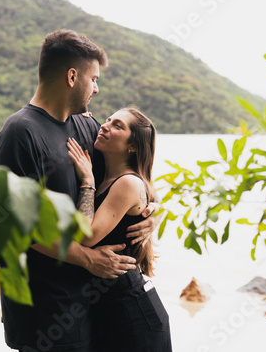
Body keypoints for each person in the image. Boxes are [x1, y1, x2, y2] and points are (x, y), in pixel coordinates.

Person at [0, 29, 160, 352]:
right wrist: (87, 259)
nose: (97, 88)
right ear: (72, 76)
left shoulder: (87, 127)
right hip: (42, 316)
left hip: (89, 313)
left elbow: (129, 172)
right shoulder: (20, 134)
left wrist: (151, 209)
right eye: (93, 79)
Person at [67, 106, 172, 352]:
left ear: (132, 147)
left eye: (118, 126)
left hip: (134, 315)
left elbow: (85, 237)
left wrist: (87, 183)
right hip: (112, 311)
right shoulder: (111, 178)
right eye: (108, 119)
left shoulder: (127, 182)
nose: (105, 126)